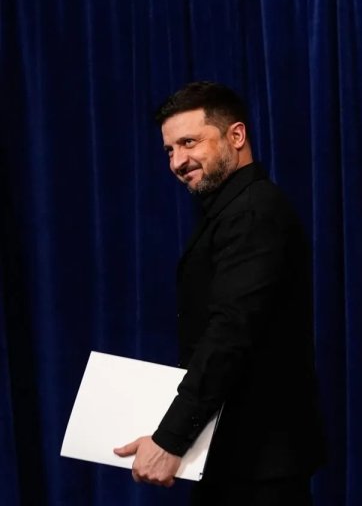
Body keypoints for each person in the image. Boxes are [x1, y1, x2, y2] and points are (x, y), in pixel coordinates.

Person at [114, 81, 326, 505]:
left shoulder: (253, 213)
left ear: (237, 135)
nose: (177, 161)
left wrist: (170, 438)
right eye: (169, 150)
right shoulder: (232, 212)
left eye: (189, 142)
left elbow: (230, 334)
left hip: (259, 465)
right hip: (233, 456)